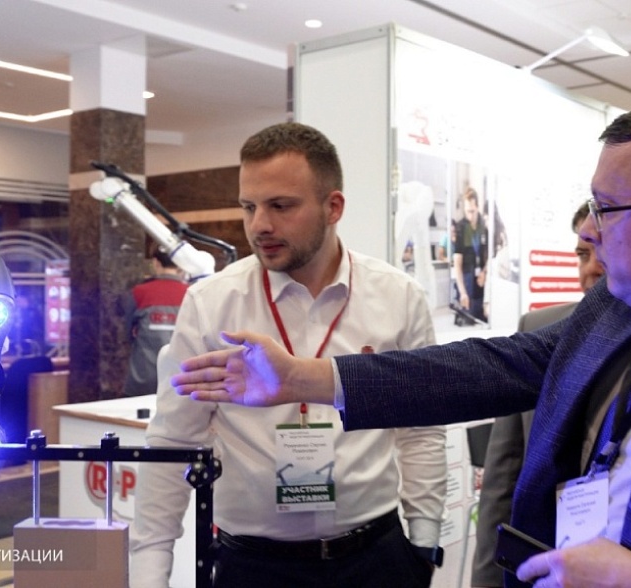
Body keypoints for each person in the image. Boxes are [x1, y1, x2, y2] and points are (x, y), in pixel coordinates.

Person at [171, 94, 631, 587]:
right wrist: (304, 378)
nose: (589, 230)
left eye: (608, 208)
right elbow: (500, 366)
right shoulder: (623, 308)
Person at [129, 123, 447, 588]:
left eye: (280, 206)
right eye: (249, 206)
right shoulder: (211, 304)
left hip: (376, 559)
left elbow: (420, 428)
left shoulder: (397, 297)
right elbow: (173, 443)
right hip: (254, 567)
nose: (259, 224)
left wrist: (424, 543)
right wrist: (148, 575)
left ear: (333, 207)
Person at [471, 201, 604, 587]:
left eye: (604, 248)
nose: (592, 268)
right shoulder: (538, 330)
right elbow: (502, 480)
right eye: (583, 254)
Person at [122, 247, 188, 397]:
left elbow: (127, 333)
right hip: (180, 381)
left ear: (156, 262)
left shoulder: (139, 292)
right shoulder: (191, 292)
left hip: (143, 378)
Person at [453, 187, 488, 321]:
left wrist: (485, 271)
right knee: (469, 321)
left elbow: (490, 256)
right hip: (467, 284)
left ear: (477, 207)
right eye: (467, 211)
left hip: (482, 283)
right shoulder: (461, 228)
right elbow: (457, 265)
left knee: (483, 321)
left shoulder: (484, 226)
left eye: (472, 211)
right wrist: (462, 292)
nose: (470, 216)